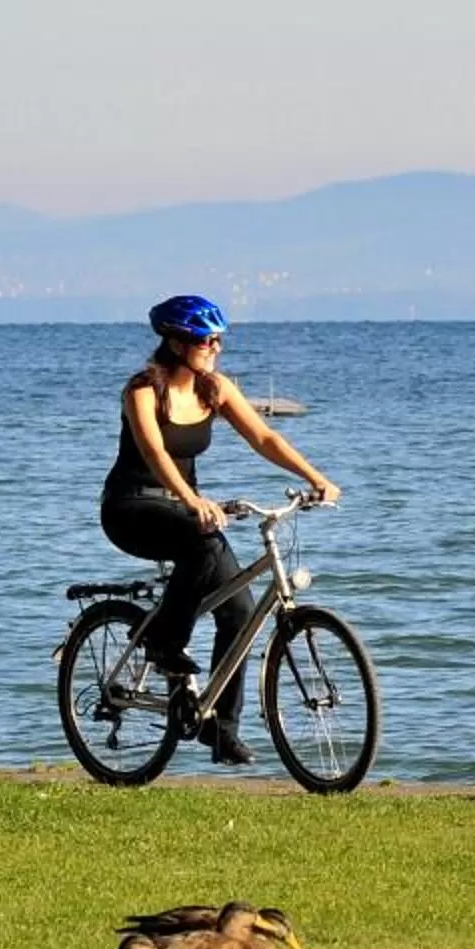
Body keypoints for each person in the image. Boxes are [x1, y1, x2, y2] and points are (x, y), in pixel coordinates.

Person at [101, 294, 340, 764]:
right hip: (131, 507)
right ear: (176, 343)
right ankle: (164, 642)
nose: (215, 347)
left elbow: (264, 437)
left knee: (240, 612)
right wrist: (192, 499)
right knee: (204, 545)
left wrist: (315, 478)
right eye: (205, 340)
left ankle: (221, 729)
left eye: (218, 340)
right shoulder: (142, 391)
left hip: (186, 513)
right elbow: (154, 453)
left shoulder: (215, 389)